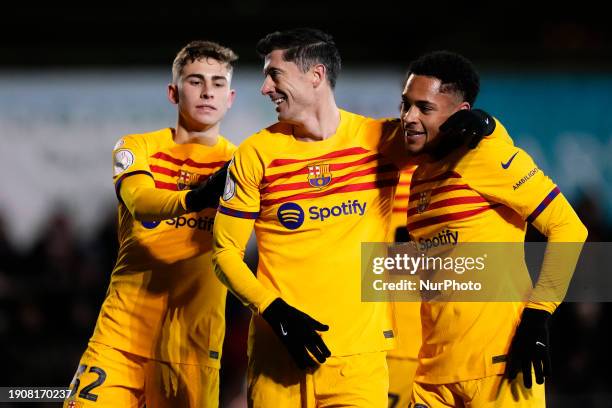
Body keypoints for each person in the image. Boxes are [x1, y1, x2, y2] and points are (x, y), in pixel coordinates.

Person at [211, 28, 495, 407]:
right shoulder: (256, 155)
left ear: (315, 76)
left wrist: (487, 125)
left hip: (357, 366)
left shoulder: (382, 140)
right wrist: (273, 310)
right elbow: (224, 253)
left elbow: (456, 130)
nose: (265, 87)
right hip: (276, 359)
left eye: (274, 74)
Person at [399, 50, 588, 407]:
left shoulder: (487, 157)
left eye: (423, 108)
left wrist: (538, 316)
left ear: (460, 114)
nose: (407, 117)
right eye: (405, 104)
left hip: (500, 368)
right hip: (430, 377)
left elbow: (569, 227)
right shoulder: (417, 173)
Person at [64, 40, 238, 408]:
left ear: (230, 97)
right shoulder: (136, 147)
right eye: (195, 81)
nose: (208, 91)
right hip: (120, 336)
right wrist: (197, 197)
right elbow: (140, 202)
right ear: (173, 92)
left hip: (192, 346)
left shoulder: (242, 164)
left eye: (218, 83)